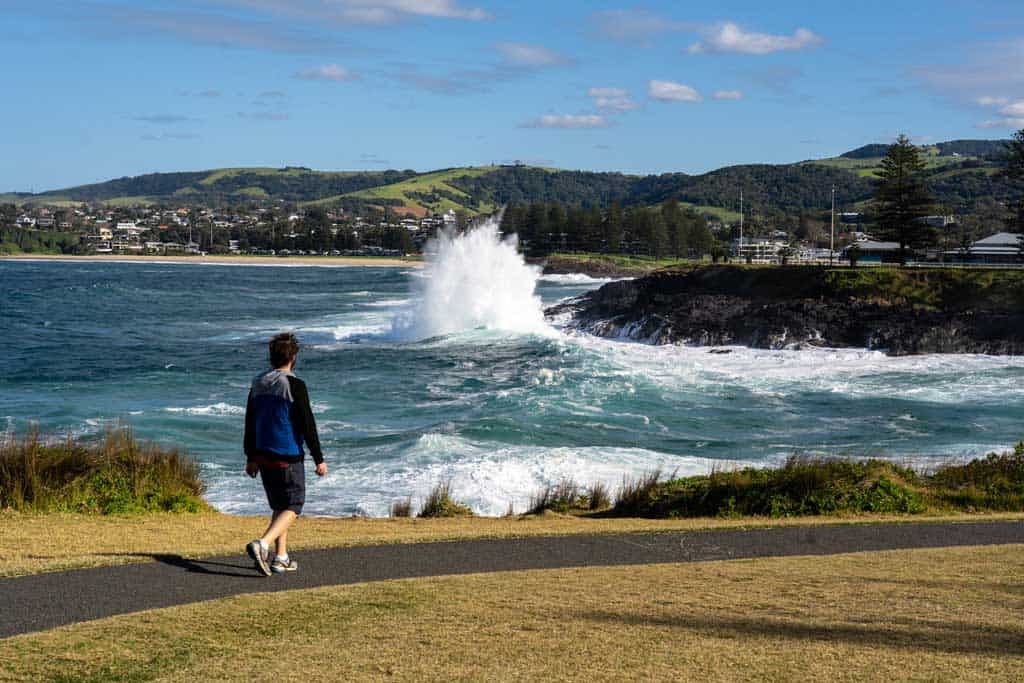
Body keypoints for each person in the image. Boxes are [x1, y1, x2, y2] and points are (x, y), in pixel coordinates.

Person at [243, 332, 326, 576]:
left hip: (263, 454)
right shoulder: (294, 385)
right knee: (294, 506)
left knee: (280, 506)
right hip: (287, 454)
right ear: (294, 357)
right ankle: (263, 544)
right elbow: (307, 424)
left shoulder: (257, 383)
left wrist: (250, 457)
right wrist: (318, 458)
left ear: (271, 357)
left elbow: (250, 421)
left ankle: (281, 558)